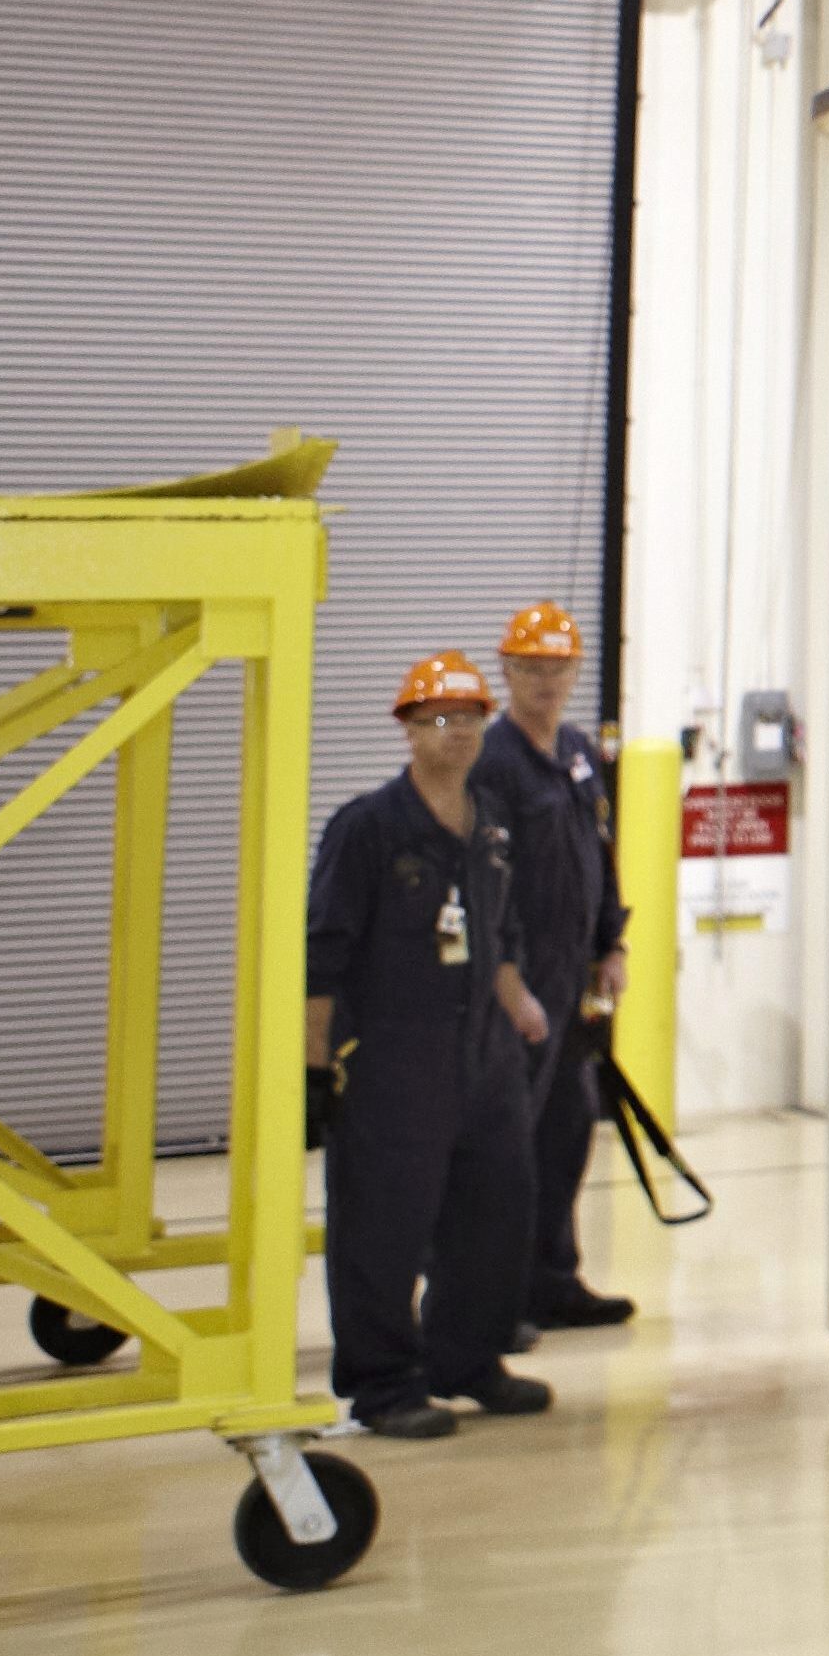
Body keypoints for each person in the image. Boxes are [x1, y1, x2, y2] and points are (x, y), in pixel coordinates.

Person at [305, 654, 556, 1438]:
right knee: (384, 1225)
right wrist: (313, 1066)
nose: (456, 734)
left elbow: (500, 934)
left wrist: (521, 1006)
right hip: (394, 1063)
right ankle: (384, 1384)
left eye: (468, 718)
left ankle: (468, 1360)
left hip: (484, 1059)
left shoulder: (488, 824)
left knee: (496, 1212)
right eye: (436, 720)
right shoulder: (369, 827)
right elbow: (322, 953)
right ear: (408, 731)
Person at [481, 601, 638, 1338]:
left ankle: (552, 1277)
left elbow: (599, 853)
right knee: (505, 1138)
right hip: (517, 979)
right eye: (531, 667)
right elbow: (485, 879)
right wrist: (504, 978)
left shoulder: (577, 752)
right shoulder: (493, 762)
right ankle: (486, 1290)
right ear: (506, 670)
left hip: (572, 974)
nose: (546, 681)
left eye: (558, 667)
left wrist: (613, 944)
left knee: (568, 1127)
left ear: (576, 671)